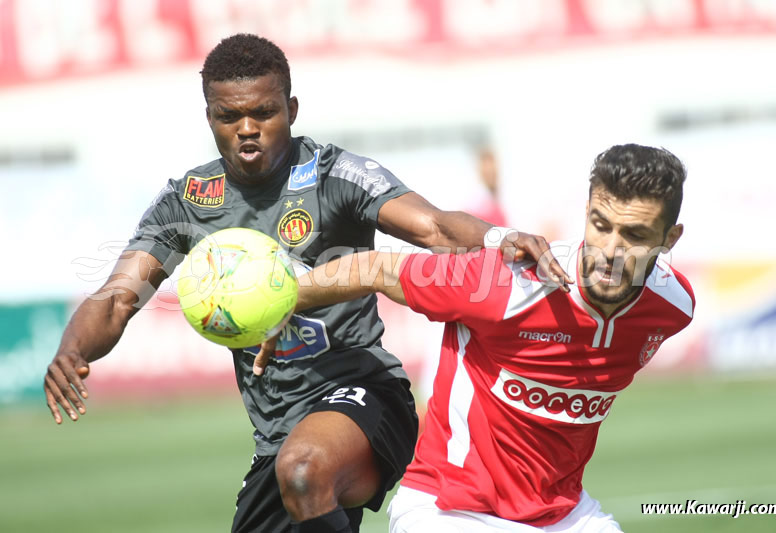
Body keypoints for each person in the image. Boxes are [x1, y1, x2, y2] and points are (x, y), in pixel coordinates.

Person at [42, 33, 571, 533]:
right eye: (229, 116)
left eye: (264, 112)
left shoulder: (336, 174)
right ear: (209, 117)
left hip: (366, 396)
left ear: (291, 111)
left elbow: (431, 225)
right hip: (275, 431)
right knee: (293, 468)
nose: (247, 127)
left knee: (304, 469)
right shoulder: (186, 202)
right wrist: (71, 348)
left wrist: (497, 237)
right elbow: (116, 298)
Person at [282, 144, 695, 532]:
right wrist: (283, 305)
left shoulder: (674, 306)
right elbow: (376, 269)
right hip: (450, 510)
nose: (611, 250)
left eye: (635, 236)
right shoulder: (511, 282)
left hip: (565, 514)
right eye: (601, 226)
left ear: (669, 239)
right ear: (586, 212)